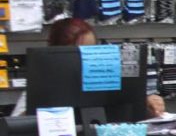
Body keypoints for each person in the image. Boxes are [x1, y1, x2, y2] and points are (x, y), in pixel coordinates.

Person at [11, 18, 165, 117]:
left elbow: (124, 106)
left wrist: (146, 103)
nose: (85, 58)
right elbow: (15, 125)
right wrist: (36, 111)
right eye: (77, 53)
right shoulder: (42, 84)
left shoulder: (106, 75)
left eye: (91, 50)